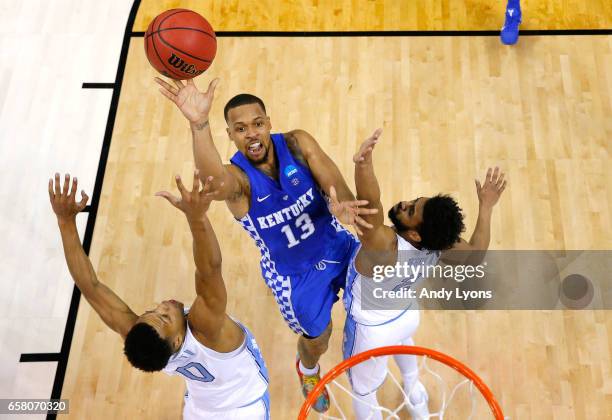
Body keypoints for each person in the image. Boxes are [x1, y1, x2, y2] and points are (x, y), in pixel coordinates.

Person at [155, 77, 376, 412]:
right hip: (295, 278)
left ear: (269, 123)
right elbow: (214, 180)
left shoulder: (297, 144)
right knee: (320, 337)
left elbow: (339, 192)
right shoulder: (240, 181)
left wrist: (341, 208)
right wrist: (199, 124)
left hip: (337, 247)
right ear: (230, 135)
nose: (252, 134)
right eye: (240, 129)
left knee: (379, 276)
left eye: (257, 124)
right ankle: (309, 369)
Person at [49, 171, 270, 419]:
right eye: (165, 317)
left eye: (152, 311)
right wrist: (196, 218)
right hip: (244, 408)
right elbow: (210, 269)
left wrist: (65, 222)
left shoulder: (149, 339)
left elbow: (91, 287)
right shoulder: (207, 328)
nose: (163, 306)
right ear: (176, 342)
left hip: (199, 410)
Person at [337, 129, 506, 419]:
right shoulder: (440, 243)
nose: (404, 203)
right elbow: (476, 254)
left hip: (371, 332)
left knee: (364, 392)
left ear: (414, 232)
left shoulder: (385, 246)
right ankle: (416, 399)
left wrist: (363, 165)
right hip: (406, 315)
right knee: (404, 346)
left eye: (410, 209)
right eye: (414, 199)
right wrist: (486, 206)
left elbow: (370, 205)